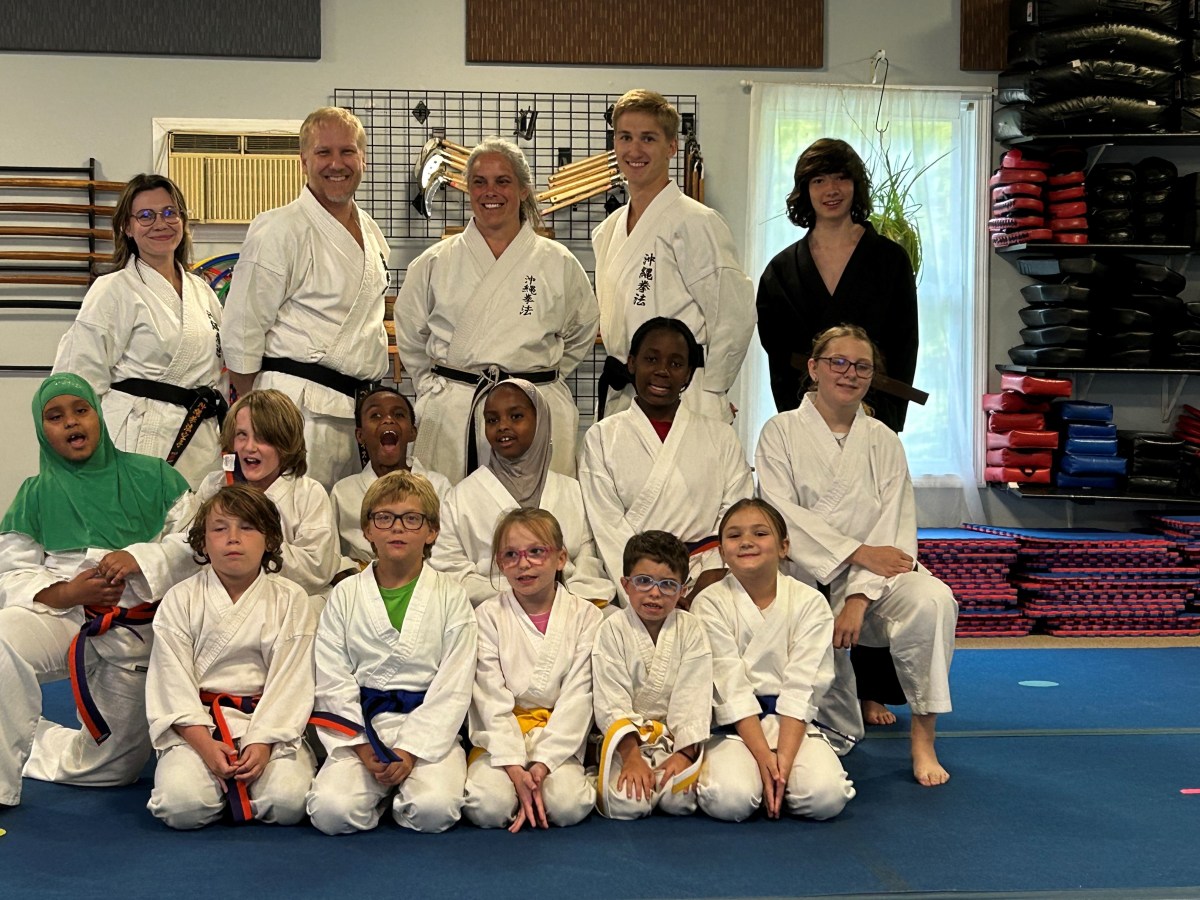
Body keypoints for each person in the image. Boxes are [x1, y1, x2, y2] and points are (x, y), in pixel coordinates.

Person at [755, 325, 957, 787]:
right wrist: (856, 551)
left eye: (862, 366)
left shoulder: (884, 439)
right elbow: (782, 517)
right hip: (803, 575)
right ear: (814, 368)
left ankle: (924, 736)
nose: (849, 373)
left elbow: (895, 526)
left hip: (874, 580)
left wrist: (860, 596)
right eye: (838, 362)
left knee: (933, 600)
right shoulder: (779, 432)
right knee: (833, 722)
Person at [0, 373, 198, 806]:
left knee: (112, 769)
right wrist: (69, 593)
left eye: (81, 410)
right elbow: (11, 573)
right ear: (42, 430)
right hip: (64, 614)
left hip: (137, 627)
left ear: (98, 416)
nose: (71, 422)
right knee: (3, 638)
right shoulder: (34, 493)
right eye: (55, 417)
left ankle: (34, 740)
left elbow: (195, 542)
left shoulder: (155, 475)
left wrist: (140, 558)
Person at [394, 136, 599, 482]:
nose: (490, 192)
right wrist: (431, 385)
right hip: (457, 409)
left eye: (502, 181)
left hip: (533, 407)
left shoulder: (557, 262)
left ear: (523, 189)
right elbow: (410, 332)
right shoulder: (435, 262)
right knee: (452, 506)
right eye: (480, 182)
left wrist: (542, 377)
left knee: (536, 509)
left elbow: (584, 327)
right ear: (468, 189)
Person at [221, 106, 390, 490]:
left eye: (347, 152)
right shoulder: (278, 229)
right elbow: (242, 328)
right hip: (294, 410)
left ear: (363, 159)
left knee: (342, 518)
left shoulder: (372, 232)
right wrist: (256, 415)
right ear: (303, 161)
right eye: (323, 152)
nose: (336, 164)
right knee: (289, 514)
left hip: (353, 410)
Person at [306, 471, 477, 834]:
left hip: (427, 729)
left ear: (432, 531)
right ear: (367, 530)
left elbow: (454, 683)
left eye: (412, 518)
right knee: (331, 812)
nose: (397, 528)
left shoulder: (451, 595)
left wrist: (411, 750)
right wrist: (362, 747)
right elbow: (332, 677)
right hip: (363, 728)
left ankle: (396, 793)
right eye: (384, 518)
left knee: (434, 810)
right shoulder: (345, 594)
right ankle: (379, 792)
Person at [146, 485, 317, 829]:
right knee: (181, 807)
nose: (233, 538)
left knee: (287, 803)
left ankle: (235, 786)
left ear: (270, 539)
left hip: (267, 724)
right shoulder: (180, 599)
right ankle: (213, 785)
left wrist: (263, 742)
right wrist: (205, 745)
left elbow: (292, 682)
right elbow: (171, 681)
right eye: (220, 528)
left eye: (248, 527)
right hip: (200, 725)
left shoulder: (291, 599)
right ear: (202, 542)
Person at [591, 89, 755, 424]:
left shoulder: (697, 222)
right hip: (626, 394)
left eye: (648, 138)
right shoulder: (607, 232)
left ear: (671, 147)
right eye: (625, 137)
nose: (634, 150)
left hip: (684, 395)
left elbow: (734, 314)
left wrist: (712, 391)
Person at [52, 173, 225, 489]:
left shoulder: (202, 291)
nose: (161, 223)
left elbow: (220, 371)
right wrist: (78, 453)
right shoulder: (113, 289)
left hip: (200, 437)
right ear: (127, 227)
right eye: (146, 216)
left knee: (198, 518)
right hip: (140, 437)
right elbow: (77, 377)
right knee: (139, 519)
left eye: (170, 212)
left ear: (183, 220)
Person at [691, 499, 855, 821]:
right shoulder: (709, 603)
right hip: (733, 724)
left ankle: (779, 782)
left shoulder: (809, 602)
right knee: (731, 800)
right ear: (722, 552)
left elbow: (803, 684)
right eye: (734, 535)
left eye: (760, 533)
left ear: (784, 547)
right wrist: (765, 757)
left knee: (825, 798)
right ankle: (757, 776)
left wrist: (783, 763)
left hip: (792, 722)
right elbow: (729, 685)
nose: (746, 542)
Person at [579, 317, 753, 600]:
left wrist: (713, 574)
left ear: (688, 374)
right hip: (637, 579)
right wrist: (645, 585)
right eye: (651, 359)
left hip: (707, 577)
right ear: (632, 363)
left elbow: (736, 513)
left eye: (676, 363)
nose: (662, 371)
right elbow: (606, 525)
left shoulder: (721, 437)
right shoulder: (601, 437)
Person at [755, 138, 918, 432]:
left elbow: (903, 345)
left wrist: (886, 418)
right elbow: (779, 355)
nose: (831, 190)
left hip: (874, 413)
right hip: (805, 416)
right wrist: (800, 415)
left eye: (841, 178)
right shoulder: (781, 270)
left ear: (856, 185)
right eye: (819, 180)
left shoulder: (891, 260)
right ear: (805, 190)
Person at [463, 508, 601, 832]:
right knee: (487, 806)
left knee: (567, 805)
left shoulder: (587, 616)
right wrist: (514, 767)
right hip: (500, 738)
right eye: (511, 555)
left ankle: (570, 775)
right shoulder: (487, 616)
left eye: (536, 552)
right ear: (499, 563)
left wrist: (542, 765)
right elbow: (488, 697)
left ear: (561, 558)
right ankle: (514, 784)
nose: (523, 564)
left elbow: (578, 698)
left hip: (559, 737)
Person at [431, 379, 613, 607]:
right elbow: (449, 569)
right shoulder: (461, 497)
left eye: (516, 416)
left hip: (569, 608)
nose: (502, 426)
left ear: (540, 421)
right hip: (490, 611)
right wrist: (517, 594)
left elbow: (589, 560)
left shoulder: (573, 491)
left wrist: (557, 598)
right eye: (492, 420)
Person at [591, 531, 712, 820]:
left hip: (673, 741)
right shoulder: (611, 630)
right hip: (626, 743)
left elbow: (693, 696)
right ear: (625, 584)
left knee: (679, 800)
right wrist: (631, 757)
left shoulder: (691, 629)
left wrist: (684, 754)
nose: (655, 593)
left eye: (668, 585)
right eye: (644, 581)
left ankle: (671, 767)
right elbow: (611, 700)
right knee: (627, 803)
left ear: (682, 590)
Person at [190, 389, 338, 602]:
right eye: (242, 435)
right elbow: (195, 548)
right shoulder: (215, 485)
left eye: (262, 438)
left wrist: (254, 545)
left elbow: (317, 568)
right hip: (222, 600)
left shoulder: (309, 493)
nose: (249, 447)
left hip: (288, 604)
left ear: (286, 444)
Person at [330, 386, 451, 574]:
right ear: (360, 435)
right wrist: (352, 575)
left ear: (412, 432)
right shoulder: (343, 491)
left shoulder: (438, 485)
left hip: (425, 579)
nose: (388, 420)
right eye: (376, 415)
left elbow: (448, 548)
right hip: (360, 580)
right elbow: (330, 553)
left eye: (399, 415)